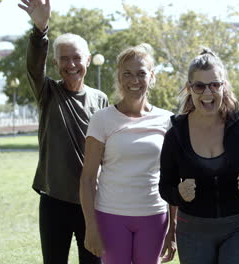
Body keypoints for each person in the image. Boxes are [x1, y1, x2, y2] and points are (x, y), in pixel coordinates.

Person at [159, 48, 239, 264]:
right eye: (199, 86)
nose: (208, 93)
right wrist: (178, 193)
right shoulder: (176, 134)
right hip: (192, 229)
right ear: (189, 88)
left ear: (223, 86)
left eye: (215, 85)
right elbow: (165, 187)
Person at [18, 0, 108, 263]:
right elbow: (34, 68)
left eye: (77, 58)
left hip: (91, 201)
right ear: (55, 63)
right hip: (54, 200)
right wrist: (40, 29)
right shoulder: (48, 93)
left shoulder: (101, 99)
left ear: (88, 60)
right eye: (64, 59)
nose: (71, 65)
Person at [80, 43, 177, 264]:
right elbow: (87, 179)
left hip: (154, 215)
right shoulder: (102, 120)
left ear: (151, 76)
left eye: (141, 73)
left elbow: (173, 179)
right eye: (127, 74)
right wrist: (91, 227)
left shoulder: (168, 121)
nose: (134, 80)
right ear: (119, 78)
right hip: (110, 216)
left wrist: (173, 228)